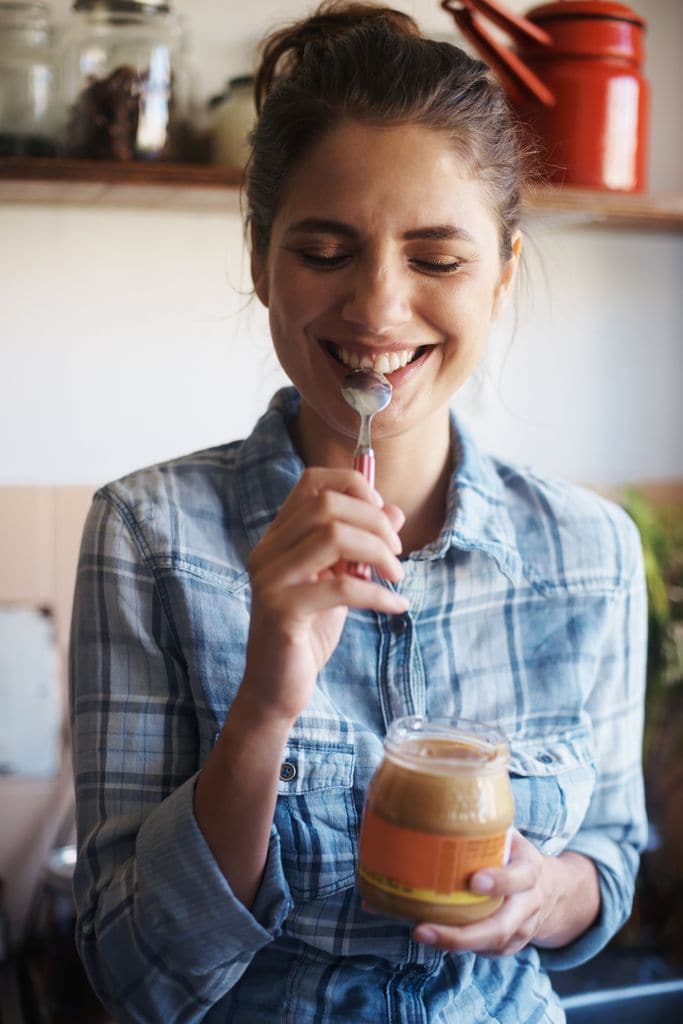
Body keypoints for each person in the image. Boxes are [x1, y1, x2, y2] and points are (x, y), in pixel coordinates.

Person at [69, 3, 648, 1021]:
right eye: (325, 250)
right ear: (260, 261)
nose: (377, 309)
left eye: (436, 258)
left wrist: (546, 896)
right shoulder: (147, 534)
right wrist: (263, 704)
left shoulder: (587, 550)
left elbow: (608, 850)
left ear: (503, 274)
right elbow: (131, 977)